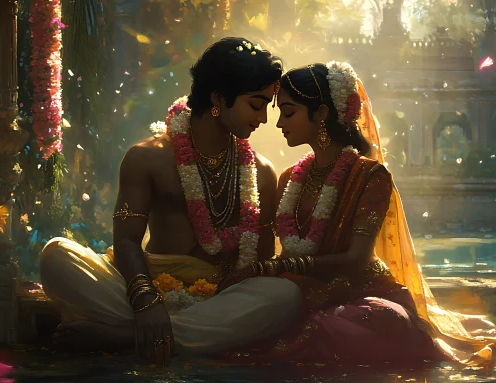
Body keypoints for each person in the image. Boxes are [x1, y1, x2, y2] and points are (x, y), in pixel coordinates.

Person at [216, 62, 496, 367]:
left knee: (376, 321)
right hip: (304, 293)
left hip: (362, 294)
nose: (278, 124)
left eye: (288, 113)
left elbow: (356, 259)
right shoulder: (289, 179)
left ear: (321, 114)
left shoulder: (370, 176)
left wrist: (280, 267)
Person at [38, 38, 303, 365]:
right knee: (56, 255)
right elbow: (127, 241)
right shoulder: (147, 157)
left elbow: (258, 264)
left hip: (218, 299)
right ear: (218, 98)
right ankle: (173, 333)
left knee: (285, 296)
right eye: (256, 105)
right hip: (146, 291)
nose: (263, 118)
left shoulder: (261, 172)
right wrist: (145, 299)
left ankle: (128, 337)